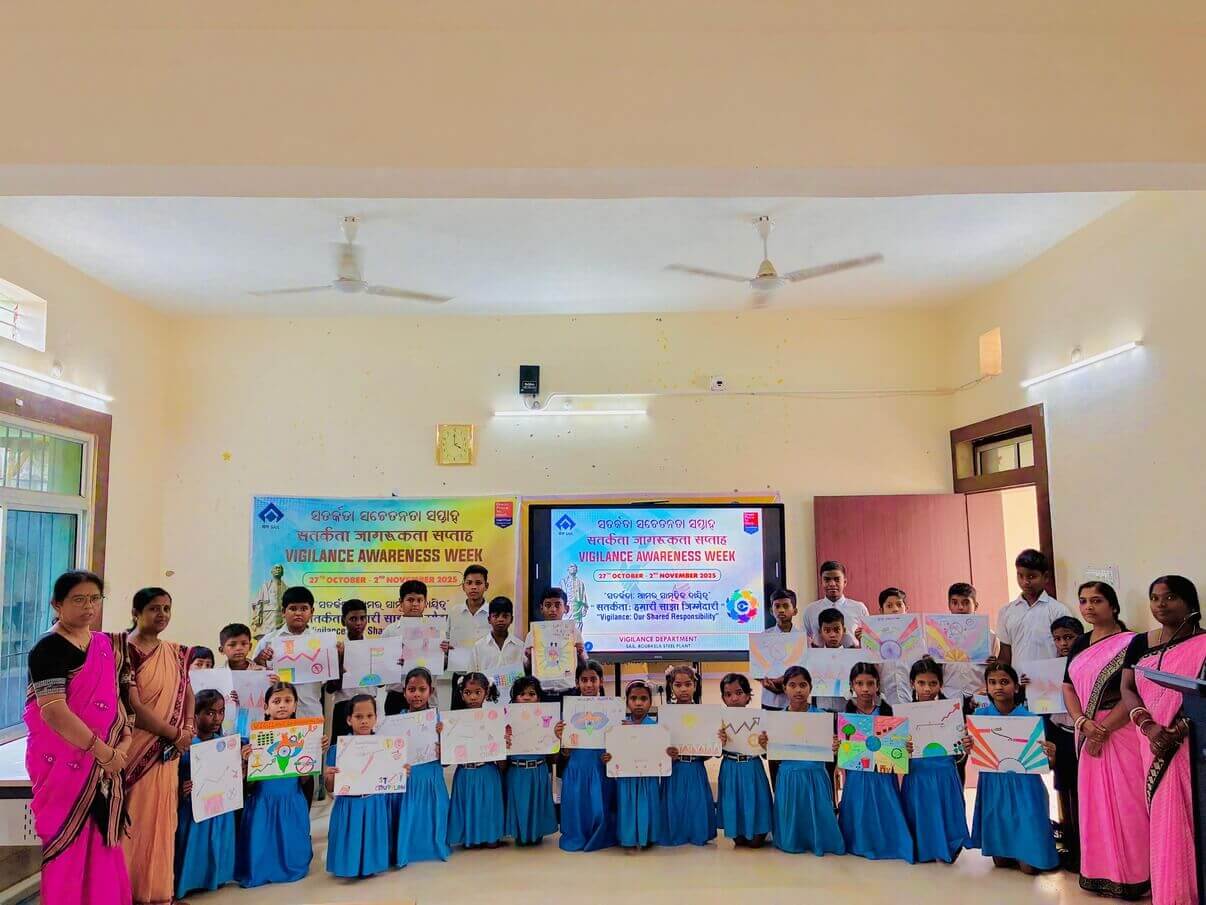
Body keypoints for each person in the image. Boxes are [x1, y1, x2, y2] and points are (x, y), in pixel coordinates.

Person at [25, 571, 134, 905]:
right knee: (67, 845)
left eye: (95, 599)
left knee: (103, 840)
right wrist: (103, 752)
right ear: (57, 604)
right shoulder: (48, 649)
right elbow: (53, 711)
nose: (89, 606)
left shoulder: (105, 645)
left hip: (106, 762)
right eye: (79, 599)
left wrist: (123, 744)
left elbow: (119, 701)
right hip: (62, 765)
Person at [1118, 575, 1205, 905]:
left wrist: (1177, 730)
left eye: (1170, 597)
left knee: (1195, 816)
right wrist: (1148, 726)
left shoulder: (1204, 644)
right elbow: (1127, 688)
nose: (1160, 605)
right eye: (1154, 598)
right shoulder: (1141, 643)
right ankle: (1173, 894)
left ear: (1189, 603)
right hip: (1151, 741)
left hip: (1191, 745)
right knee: (1165, 819)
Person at [1063, 580, 1149, 900]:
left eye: (1096, 600)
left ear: (1113, 606)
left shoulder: (1133, 642)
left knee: (1129, 805)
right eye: (1083, 601)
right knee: (1095, 806)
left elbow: (1135, 691)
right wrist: (1083, 723)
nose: (1088, 606)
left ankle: (1138, 876)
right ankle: (1102, 874)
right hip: (1086, 731)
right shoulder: (1079, 643)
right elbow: (1068, 686)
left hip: (1121, 732)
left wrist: (1104, 729)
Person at [123, 587, 193, 905]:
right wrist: (174, 733)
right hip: (136, 749)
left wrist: (187, 729)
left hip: (169, 752)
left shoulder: (175, 652)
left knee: (164, 821)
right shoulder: (125, 651)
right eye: (154, 608)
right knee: (135, 821)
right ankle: (129, 892)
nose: (162, 614)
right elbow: (132, 706)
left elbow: (187, 691)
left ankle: (159, 892)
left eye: (166, 608)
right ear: (136, 613)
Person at [967, 662, 1059, 874]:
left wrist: (1051, 755)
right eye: (992, 682)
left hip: (1025, 788)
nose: (998, 687)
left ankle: (1037, 847)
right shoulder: (979, 718)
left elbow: (1046, 764)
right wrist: (967, 746)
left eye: (1004, 682)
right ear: (986, 687)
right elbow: (973, 755)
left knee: (1030, 868)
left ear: (1016, 687)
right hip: (994, 786)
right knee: (1001, 862)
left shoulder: (1031, 719)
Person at [758, 665, 844, 856]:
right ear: (784, 688)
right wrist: (765, 746)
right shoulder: (776, 719)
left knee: (818, 814)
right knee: (792, 818)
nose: (798, 690)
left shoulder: (822, 717)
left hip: (816, 775)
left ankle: (819, 840)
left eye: (803, 685)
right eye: (792, 685)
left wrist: (835, 748)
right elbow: (770, 755)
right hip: (789, 776)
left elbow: (833, 754)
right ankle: (792, 839)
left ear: (810, 688)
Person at [235, 681, 314, 887]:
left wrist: (313, 755)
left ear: (295, 705)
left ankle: (290, 866)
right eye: (276, 701)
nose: (282, 705)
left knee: (291, 839)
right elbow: (248, 782)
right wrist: (246, 760)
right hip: (263, 799)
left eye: (288, 701)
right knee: (261, 840)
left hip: (292, 797)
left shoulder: (304, 735)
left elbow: (305, 778)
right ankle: (261, 869)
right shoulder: (254, 737)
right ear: (266, 707)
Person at [837, 662, 915, 862]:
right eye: (859, 683)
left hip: (883, 773)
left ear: (878, 685)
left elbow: (897, 744)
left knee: (886, 805)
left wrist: (905, 747)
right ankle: (860, 841)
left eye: (870, 683)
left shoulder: (887, 712)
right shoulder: (846, 715)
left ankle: (890, 841)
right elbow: (843, 749)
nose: (865, 689)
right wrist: (837, 746)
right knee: (859, 806)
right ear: (852, 686)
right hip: (857, 773)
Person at [899, 658, 971, 863]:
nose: (927, 689)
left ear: (940, 684)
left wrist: (965, 747)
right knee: (921, 812)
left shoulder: (953, 711)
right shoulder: (903, 714)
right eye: (921, 683)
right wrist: (902, 749)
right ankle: (924, 845)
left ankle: (950, 844)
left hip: (944, 772)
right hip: (917, 773)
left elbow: (960, 752)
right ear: (912, 683)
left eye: (933, 683)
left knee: (946, 811)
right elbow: (896, 753)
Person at [174, 689, 241, 899]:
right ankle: (190, 882)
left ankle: (217, 877)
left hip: (219, 808)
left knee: (217, 841)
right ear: (195, 715)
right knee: (195, 845)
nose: (217, 718)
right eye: (210, 713)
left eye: (221, 712)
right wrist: (181, 788)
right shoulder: (185, 746)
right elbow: (173, 776)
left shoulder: (225, 744)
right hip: (194, 811)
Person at [324, 693, 393, 878]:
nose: (364, 721)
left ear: (376, 718)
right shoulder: (337, 750)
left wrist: (401, 771)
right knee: (351, 837)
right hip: (348, 804)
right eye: (358, 716)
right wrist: (329, 776)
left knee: (371, 835)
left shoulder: (385, 747)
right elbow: (330, 788)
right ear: (349, 719)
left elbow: (390, 776)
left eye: (369, 716)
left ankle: (370, 865)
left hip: (373, 802)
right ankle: (348, 866)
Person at [556, 659, 617, 852]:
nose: (589, 684)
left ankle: (601, 834)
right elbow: (564, 751)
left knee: (600, 803)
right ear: (577, 683)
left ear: (601, 681)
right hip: (577, 764)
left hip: (600, 764)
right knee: (577, 803)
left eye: (593, 679)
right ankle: (577, 834)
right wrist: (561, 738)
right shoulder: (568, 711)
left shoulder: (613, 709)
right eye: (584, 680)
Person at [393, 666, 451, 866]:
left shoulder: (439, 721)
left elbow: (447, 761)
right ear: (404, 692)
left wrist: (444, 745)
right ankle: (406, 851)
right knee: (409, 815)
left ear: (431, 691)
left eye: (422, 689)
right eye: (411, 689)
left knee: (434, 813)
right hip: (410, 779)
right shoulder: (396, 722)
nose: (416, 694)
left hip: (432, 777)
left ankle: (436, 848)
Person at [1042, 613, 1084, 868]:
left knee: (1081, 790)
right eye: (1057, 639)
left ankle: (1084, 845)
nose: (1063, 643)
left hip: (1080, 732)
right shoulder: (1049, 668)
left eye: (1068, 637)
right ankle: (1069, 840)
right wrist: (1031, 684)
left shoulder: (1086, 662)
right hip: (1058, 731)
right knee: (1063, 785)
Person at [659, 665, 717, 846]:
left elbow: (709, 751)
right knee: (675, 802)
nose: (683, 689)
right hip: (675, 769)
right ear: (671, 686)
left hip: (695, 767)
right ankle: (676, 833)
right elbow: (658, 745)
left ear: (695, 685)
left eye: (688, 684)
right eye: (678, 685)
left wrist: (710, 748)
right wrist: (666, 752)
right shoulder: (666, 714)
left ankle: (697, 833)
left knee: (696, 803)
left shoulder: (705, 714)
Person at [446, 672, 506, 848]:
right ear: (461, 693)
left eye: (477, 692)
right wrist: (444, 735)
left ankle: (491, 836)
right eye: (468, 692)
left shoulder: (495, 718)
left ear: (486, 693)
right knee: (468, 806)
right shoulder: (453, 720)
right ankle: (470, 837)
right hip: (465, 772)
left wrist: (503, 742)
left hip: (487, 772)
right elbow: (446, 761)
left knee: (488, 806)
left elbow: (502, 761)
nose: (472, 697)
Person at [716, 672, 772, 848]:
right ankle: (739, 828)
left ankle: (759, 829)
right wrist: (717, 743)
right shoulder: (718, 721)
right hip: (730, 768)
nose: (734, 698)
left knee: (755, 841)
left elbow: (767, 754)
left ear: (748, 696)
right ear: (723, 698)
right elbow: (715, 753)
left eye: (739, 693)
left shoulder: (760, 719)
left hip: (752, 767)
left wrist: (766, 745)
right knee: (738, 838)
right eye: (728, 694)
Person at [252, 586, 325, 719]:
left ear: (312, 612)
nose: (298, 613)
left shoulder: (322, 643)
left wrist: (337, 656)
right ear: (283, 612)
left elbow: (329, 681)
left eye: (304, 608)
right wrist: (261, 660)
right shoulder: (268, 641)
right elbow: (253, 676)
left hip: (310, 713)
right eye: (293, 608)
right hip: (277, 717)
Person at [607, 679, 662, 849]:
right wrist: (608, 757)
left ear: (650, 702)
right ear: (627, 701)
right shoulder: (619, 727)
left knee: (647, 806)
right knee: (627, 805)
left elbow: (659, 752)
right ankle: (628, 838)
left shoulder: (657, 728)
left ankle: (647, 837)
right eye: (633, 698)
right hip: (627, 777)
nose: (638, 703)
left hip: (648, 777)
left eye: (643, 699)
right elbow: (614, 751)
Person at [381, 580, 450, 716]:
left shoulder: (436, 631)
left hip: (426, 697)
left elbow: (442, 666)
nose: (415, 604)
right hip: (396, 696)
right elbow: (381, 668)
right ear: (401, 602)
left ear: (425, 603)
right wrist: (392, 663)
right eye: (410, 600)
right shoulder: (390, 631)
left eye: (419, 600)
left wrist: (446, 654)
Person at [503, 676, 558, 845]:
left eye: (531, 694)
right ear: (514, 698)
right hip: (516, 771)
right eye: (521, 694)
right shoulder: (506, 720)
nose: (526, 697)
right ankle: (520, 833)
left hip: (538, 770)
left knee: (537, 804)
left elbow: (554, 756)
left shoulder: (548, 718)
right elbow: (501, 759)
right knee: (519, 804)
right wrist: (503, 742)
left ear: (539, 698)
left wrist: (557, 737)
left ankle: (536, 833)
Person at [997, 549, 1071, 665]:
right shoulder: (1006, 611)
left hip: (1051, 675)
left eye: (1031, 576)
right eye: (1020, 576)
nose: (1025, 582)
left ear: (1045, 577)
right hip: (1018, 676)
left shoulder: (1058, 611)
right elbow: (1005, 654)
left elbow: (1068, 651)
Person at [525, 588, 587, 704]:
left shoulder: (573, 632)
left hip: (568, 690)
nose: (553, 609)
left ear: (566, 608)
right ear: (541, 608)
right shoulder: (533, 634)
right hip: (542, 692)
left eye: (558, 605)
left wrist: (579, 654)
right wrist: (529, 657)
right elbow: (527, 669)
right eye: (548, 605)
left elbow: (584, 665)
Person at [942, 583, 999, 710]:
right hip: (949, 696)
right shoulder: (940, 636)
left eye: (966, 602)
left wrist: (993, 664)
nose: (960, 607)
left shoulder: (990, 637)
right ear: (949, 605)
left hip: (979, 696)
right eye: (955, 602)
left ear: (976, 606)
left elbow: (996, 670)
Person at [448, 565, 492, 709]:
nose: (473, 587)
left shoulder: (493, 613)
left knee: (488, 719)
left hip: (486, 677)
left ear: (486, 586)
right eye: (469, 583)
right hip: (460, 676)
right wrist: (445, 649)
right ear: (463, 586)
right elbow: (446, 640)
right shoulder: (454, 612)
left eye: (478, 583)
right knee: (457, 719)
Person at [801, 560, 868, 647]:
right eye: (827, 580)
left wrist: (865, 637)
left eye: (837, 579)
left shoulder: (859, 608)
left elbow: (870, 642)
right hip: (820, 656)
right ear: (821, 582)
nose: (832, 584)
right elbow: (803, 642)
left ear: (845, 582)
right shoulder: (810, 610)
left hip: (854, 655)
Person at [328, 598, 369, 738]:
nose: (359, 623)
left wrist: (392, 666)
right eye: (353, 619)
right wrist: (340, 661)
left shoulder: (374, 648)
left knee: (369, 747)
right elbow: (330, 688)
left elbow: (381, 683)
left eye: (362, 618)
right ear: (343, 621)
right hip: (344, 707)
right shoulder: (335, 649)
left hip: (368, 705)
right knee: (341, 748)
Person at [867, 588, 911, 706]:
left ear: (906, 609)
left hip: (911, 698)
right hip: (884, 701)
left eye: (899, 605)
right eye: (889, 606)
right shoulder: (873, 638)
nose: (895, 609)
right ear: (881, 611)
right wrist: (864, 641)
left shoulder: (918, 637)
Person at [758, 588, 800, 711]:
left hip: (795, 699)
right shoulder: (763, 637)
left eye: (786, 606)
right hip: (769, 699)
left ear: (795, 611)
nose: (781, 610)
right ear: (771, 611)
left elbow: (805, 669)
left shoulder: (803, 639)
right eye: (777, 606)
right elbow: (757, 667)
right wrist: (764, 681)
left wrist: (784, 682)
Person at [472, 596, 526, 677]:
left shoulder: (520, 646)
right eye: (496, 616)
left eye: (505, 616)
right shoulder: (479, 646)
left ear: (511, 619)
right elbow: (472, 674)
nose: (500, 619)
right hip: (486, 685)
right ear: (489, 619)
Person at [812, 608, 850, 712]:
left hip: (846, 710)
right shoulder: (814, 657)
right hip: (821, 709)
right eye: (827, 630)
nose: (832, 635)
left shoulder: (852, 657)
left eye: (837, 630)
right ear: (820, 632)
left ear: (844, 630)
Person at [251, 563, 287, 639]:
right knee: (266, 638)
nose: (277, 570)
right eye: (276, 568)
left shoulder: (286, 588)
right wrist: (257, 617)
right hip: (267, 617)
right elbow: (258, 603)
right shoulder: (265, 587)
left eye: (279, 568)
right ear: (272, 572)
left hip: (281, 617)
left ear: (282, 573)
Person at [563, 563, 588, 630]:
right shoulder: (563, 582)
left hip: (577, 608)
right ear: (568, 569)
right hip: (566, 607)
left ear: (577, 570)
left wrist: (585, 608)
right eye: (571, 566)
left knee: (577, 626)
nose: (573, 568)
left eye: (575, 567)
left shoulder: (580, 583)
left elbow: (583, 596)